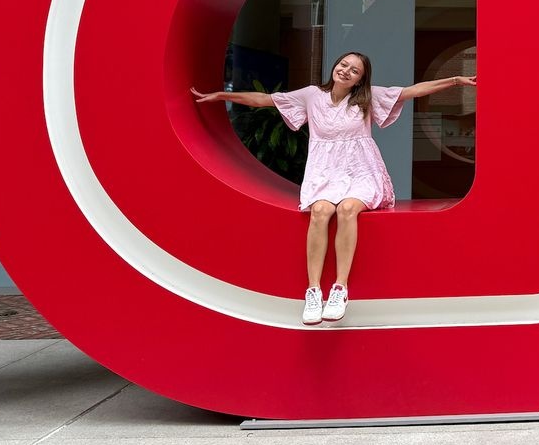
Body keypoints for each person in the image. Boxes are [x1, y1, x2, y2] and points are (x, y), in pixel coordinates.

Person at [192, 52, 476, 325]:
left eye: (354, 71)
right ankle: (313, 291)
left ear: (359, 80)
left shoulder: (366, 97)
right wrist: (223, 96)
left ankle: (340, 288)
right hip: (324, 172)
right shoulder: (311, 95)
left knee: (348, 208)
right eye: (343, 65)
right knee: (320, 211)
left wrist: (455, 81)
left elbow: (412, 91)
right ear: (335, 66)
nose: (346, 71)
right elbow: (265, 100)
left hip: (361, 170)